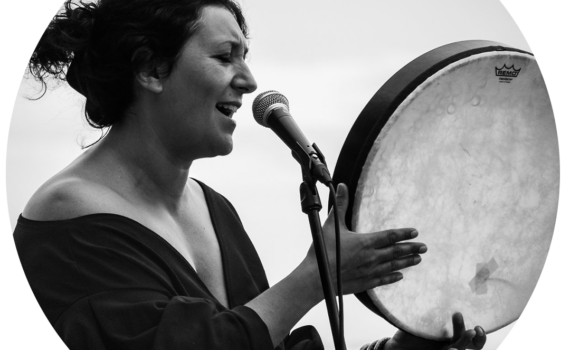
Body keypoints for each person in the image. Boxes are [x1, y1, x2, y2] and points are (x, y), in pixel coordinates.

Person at [14, 1, 486, 349]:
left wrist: (401, 349)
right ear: (152, 69)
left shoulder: (213, 208)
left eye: (245, 56)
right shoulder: (72, 214)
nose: (250, 80)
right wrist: (312, 280)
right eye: (225, 57)